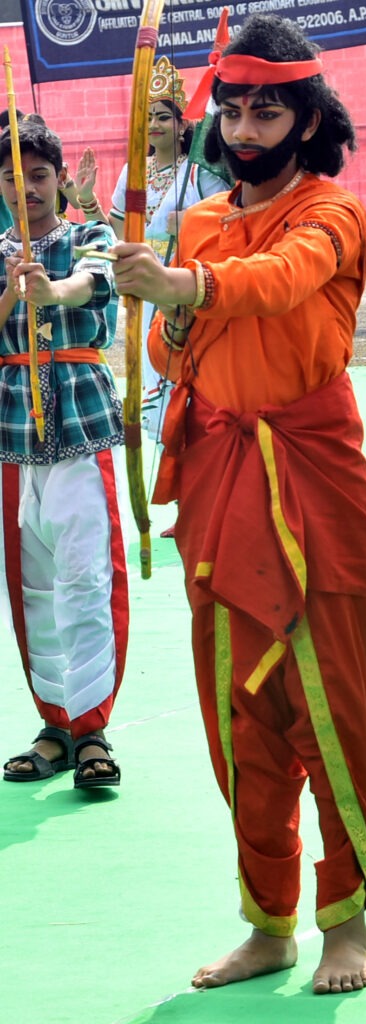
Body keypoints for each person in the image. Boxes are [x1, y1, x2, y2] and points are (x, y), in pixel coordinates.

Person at [111, 13, 366, 996]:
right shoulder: (199, 221)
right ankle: (269, 924)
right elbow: (169, 354)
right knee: (240, 716)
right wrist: (164, 303)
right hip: (221, 483)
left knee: (328, 709)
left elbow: (279, 282)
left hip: (312, 490)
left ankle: (345, 922)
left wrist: (186, 284)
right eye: (231, 111)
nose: (243, 129)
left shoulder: (331, 212)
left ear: (307, 119)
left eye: (266, 111)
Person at [0, 118, 129, 789]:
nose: (26, 189)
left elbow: (94, 283)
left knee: (86, 576)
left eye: (39, 175)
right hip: (15, 439)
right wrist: (11, 291)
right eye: (11, 178)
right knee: (32, 585)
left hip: (81, 429)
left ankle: (91, 728)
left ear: (57, 179)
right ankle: (54, 726)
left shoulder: (88, 236)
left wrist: (50, 291)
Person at [76, 57, 230, 452]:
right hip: (145, 296)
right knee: (155, 386)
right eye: (148, 118)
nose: (155, 125)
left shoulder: (197, 172)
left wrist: (192, 223)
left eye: (163, 116)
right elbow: (115, 235)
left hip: (187, 289)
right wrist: (87, 200)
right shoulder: (134, 171)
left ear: (182, 125)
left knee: (193, 385)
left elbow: (230, 223)